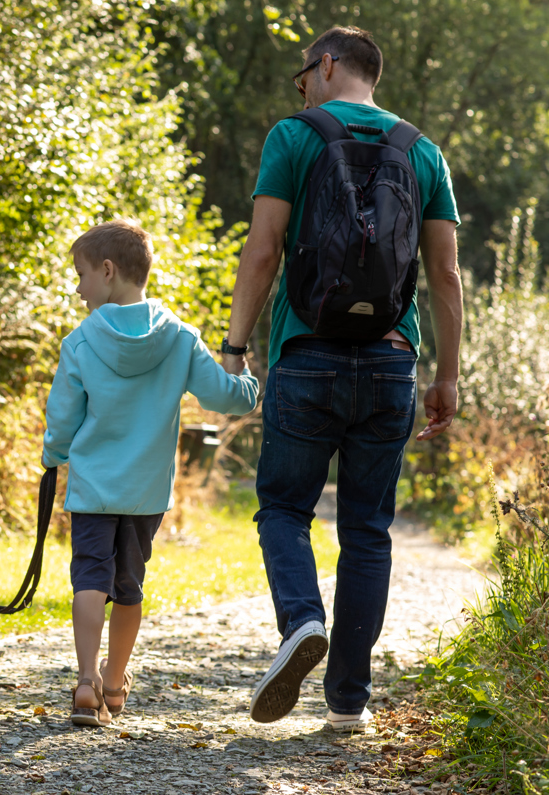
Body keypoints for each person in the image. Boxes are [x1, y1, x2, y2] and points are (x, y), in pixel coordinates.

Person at [220, 26, 462, 731]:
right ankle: (348, 702)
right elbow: (444, 273)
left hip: (308, 354)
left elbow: (263, 251)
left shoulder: (293, 137)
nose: (302, 90)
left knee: (285, 510)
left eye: (303, 78)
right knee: (367, 529)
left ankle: (301, 621)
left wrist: (236, 346)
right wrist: (447, 374)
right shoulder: (422, 150)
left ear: (325, 65)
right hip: (392, 361)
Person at [42, 220, 259, 726]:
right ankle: (115, 683)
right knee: (129, 586)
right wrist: (244, 374)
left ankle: (83, 684)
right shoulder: (180, 339)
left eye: (81, 275)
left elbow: (62, 420)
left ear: (108, 270)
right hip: (145, 494)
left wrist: (53, 455)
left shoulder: (79, 344)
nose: (78, 288)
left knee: (89, 580)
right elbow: (228, 398)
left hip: (94, 490)